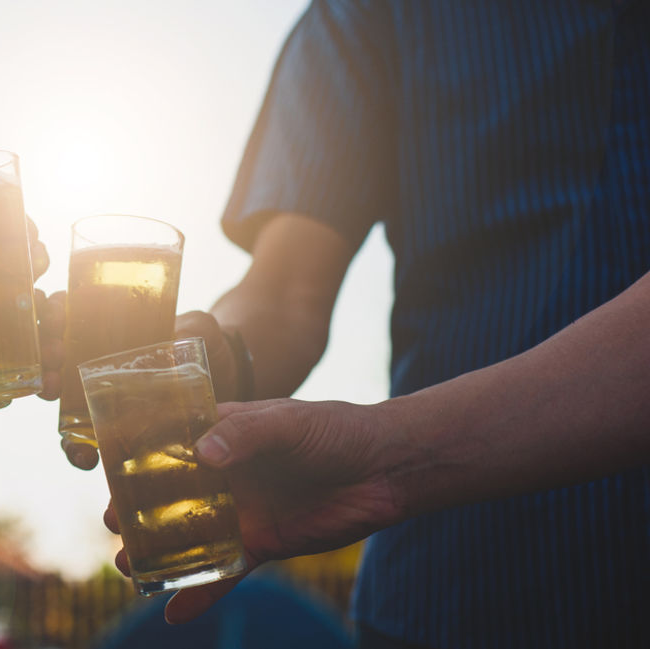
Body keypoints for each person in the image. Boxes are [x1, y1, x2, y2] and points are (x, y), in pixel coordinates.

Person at [65, 1, 650, 647]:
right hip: (449, 590)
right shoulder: (369, 14)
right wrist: (208, 356)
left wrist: (392, 452)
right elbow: (285, 294)